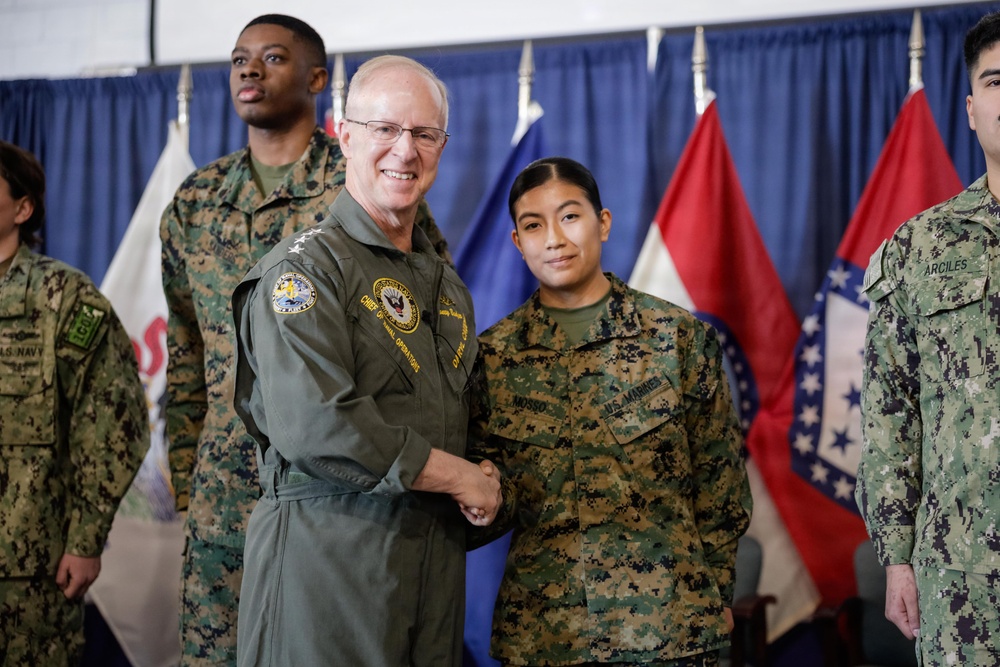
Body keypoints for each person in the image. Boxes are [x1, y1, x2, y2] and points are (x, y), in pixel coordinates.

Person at [159, 15, 451, 666]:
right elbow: (186, 355)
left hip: (340, 508)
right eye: (239, 58)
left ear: (319, 81)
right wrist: (188, 483)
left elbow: (426, 339)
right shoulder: (196, 201)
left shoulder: (374, 178)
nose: (250, 69)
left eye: (273, 57)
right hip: (223, 502)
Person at [231, 55, 501, 667]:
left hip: (431, 570)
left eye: (424, 133)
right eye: (385, 129)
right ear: (345, 136)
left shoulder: (445, 285)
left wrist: (485, 474)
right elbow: (317, 426)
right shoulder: (303, 272)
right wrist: (460, 477)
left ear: (442, 146)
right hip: (331, 564)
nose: (405, 150)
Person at [466, 156, 752, 667]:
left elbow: (720, 481)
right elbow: (490, 500)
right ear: (517, 243)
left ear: (603, 222)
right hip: (546, 636)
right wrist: (479, 501)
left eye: (569, 216)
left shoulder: (677, 338)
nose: (554, 239)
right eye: (533, 225)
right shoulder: (492, 358)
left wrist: (717, 595)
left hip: (671, 630)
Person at [856, 11, 1000, 666]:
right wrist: (896, 558)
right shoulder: (920, 248)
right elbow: (890, 415)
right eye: (995, 82)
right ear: (971, 110)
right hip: (961, 578)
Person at [0, 140, 148, 665]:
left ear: (22, 209)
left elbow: (114, 423)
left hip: (27, 572)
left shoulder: (64, 298)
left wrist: (85, 540)